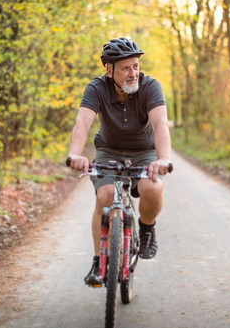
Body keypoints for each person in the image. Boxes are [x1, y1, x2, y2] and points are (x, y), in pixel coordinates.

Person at [67, 37, 172, 286]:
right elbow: (82, 122)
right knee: (104, 197)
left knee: (153, 188)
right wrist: (75, 154)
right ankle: (98, 261)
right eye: (126, 68)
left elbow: (160, 124)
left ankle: (146, 227)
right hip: (109, 151)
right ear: (109, 69)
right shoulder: (96, 88)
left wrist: (164, 158)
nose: (133, 72)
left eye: (135, 66)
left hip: (144, 152)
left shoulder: (150, 87)